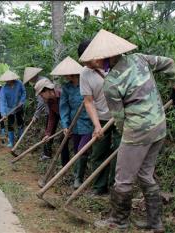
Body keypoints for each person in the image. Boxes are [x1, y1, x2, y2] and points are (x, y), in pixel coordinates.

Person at [79, 29, 175, 231]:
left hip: (137, 132)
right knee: (145, 174)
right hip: (159, 126)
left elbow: (119, 119)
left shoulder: (111, 82)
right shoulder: (139, 59)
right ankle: (155, 223)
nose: (95, 63)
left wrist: (128, 140)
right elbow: (169, 63)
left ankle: (118, 221)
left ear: (106, 56)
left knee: (123, 179)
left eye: (97, 59)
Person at [78, 39, 121, 196]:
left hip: (120, 118)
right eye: (85, 61)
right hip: (101, 118)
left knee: (119, 153)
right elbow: (88, 102)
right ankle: (99, 188)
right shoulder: (85, 73)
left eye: (89, 60)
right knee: (98, 153)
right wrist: (97, 125)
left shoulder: (116, 65)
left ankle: (116, 188)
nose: (88, 64)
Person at [51, 56, 93, 188]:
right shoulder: (67, 88)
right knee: (76, 150)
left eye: (66, 75)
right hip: (74, 125)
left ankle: (78, 178)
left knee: (82, 150)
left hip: (89, 123)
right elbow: (64, 108)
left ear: (71, 74)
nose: (65, 77)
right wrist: (65, 125)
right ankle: (77, 175)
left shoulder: (87, 83)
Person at [23, 67, 52, 161]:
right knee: (49, 132)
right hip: (50, 110)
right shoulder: (41, 80)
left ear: (33, 77)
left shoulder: (41, 82)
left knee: (48, 132)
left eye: (30, 79)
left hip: (51, 111)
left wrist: (36, 115)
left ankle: (47, 154)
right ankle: (47, 153)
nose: (30, 81)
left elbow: (41, 102)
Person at [0, 70, 26, 148]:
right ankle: (11, 142)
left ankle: (21, 139)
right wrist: (3, 113)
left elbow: (24, 92)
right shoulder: (4, 89)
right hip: (9, 109)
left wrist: (22, 101)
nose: (8, 81)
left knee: (20, 123)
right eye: (6, 80)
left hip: (19, 107)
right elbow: (3, 101)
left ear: (12, 79)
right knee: (10, 124)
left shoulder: (19, 83)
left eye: (9, 80)